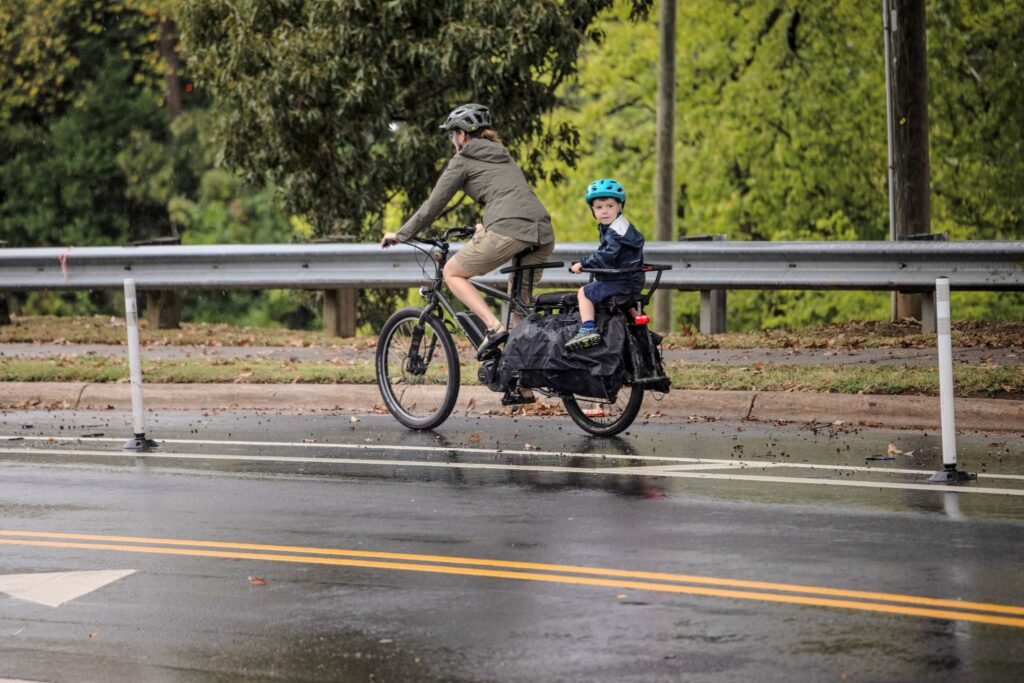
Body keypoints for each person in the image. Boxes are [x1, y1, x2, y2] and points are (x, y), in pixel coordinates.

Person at [380, 103, 555, 357]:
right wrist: (486, 224)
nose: (452, 140)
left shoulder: (463, 159)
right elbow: (507, 194)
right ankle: (523, 383)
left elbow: (433, 205)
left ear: (461, 134)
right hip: (542, 231)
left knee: (452, 272)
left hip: (510, 229)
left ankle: (493, 328)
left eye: (452, 134)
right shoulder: (501, 154)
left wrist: (401, 234)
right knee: (519, 303)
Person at [565, 178, 645, 351]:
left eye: (610, 206)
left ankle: (587, 328)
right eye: (599, 207)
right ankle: (637, 317)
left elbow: (606, 257)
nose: (605, 211)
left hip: (621, 281)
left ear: (620, 206)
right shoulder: (622, 227)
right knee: (609, 290)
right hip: (631, 279)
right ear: (592, 210)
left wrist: (582, 264)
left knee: (584, 292)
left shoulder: (616, 232)